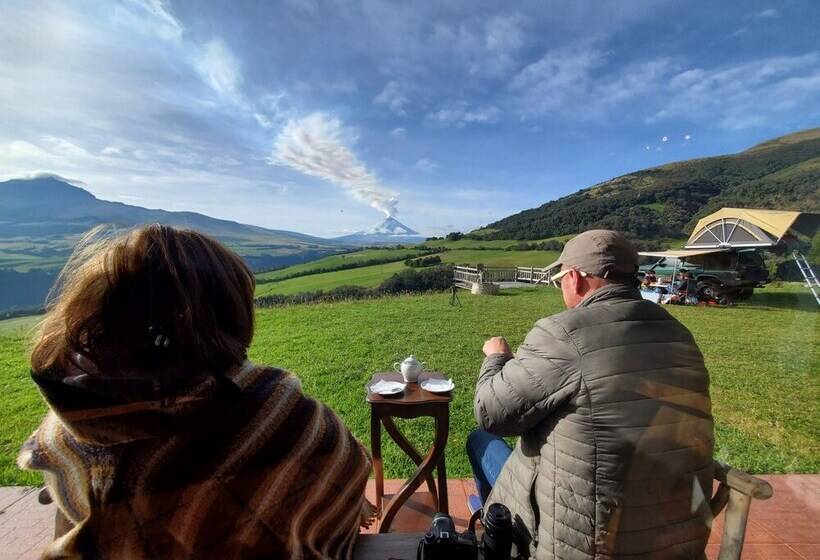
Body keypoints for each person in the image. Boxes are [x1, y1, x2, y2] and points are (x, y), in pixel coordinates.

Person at [18, 224, 374, 560]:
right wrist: (341, 499)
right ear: (229, 316)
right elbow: (340, 467)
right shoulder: (286, 416)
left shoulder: (72, 428)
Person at [468, 230, 714, 559]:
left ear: (577, 279)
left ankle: (497, 541)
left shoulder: (564, 333)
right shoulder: (679, 335)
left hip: (589, 543)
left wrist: (495, 357)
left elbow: (490, 413)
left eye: (560, 280)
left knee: (479, 441)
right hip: (673, 538)